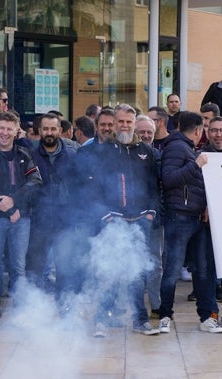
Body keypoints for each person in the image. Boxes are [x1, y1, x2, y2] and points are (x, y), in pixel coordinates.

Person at [89, 104, 160, 337]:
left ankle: (140, 320)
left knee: (137, 272)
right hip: (113, 220)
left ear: (134, 123)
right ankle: (101, 320)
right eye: (121, 121)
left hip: (141, 219)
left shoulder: (145, 151)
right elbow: (94, 187)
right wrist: (105, 215)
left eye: (129, 122)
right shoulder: (103, 150)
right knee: (109, 270)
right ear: (115, 122)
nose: (125, 125)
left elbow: (154, 185)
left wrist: (151, 213)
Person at [0, 112, 42, 331]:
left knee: (18, 268)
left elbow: (35, 181)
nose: (4, 132)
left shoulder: (25, 153)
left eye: (9, 128)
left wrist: (14, 202)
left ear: (16, 130)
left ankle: (20, 313)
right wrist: (8, 207)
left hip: (21, 218)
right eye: (1, 128)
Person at [158, 111, 220, 334]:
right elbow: (169, 179)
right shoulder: (177, 147)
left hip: (195, 217)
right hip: (179, 217)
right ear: (198, 130)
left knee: (202, 270)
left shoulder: (185, 148)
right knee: (172, 270)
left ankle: (206, 317)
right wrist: (196, 165)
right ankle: (164, 315)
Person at [27, 113, 77, 298]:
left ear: (60, 131)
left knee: (65, 266)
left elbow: (79, 188)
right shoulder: (30, 155)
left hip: (65, 220)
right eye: (46, 129)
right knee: (36, 266)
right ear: (39, 131)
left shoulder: (72, 155)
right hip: (39, 220)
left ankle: (64, 307)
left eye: (53, 129)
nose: (49, 132)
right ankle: (35, 307)